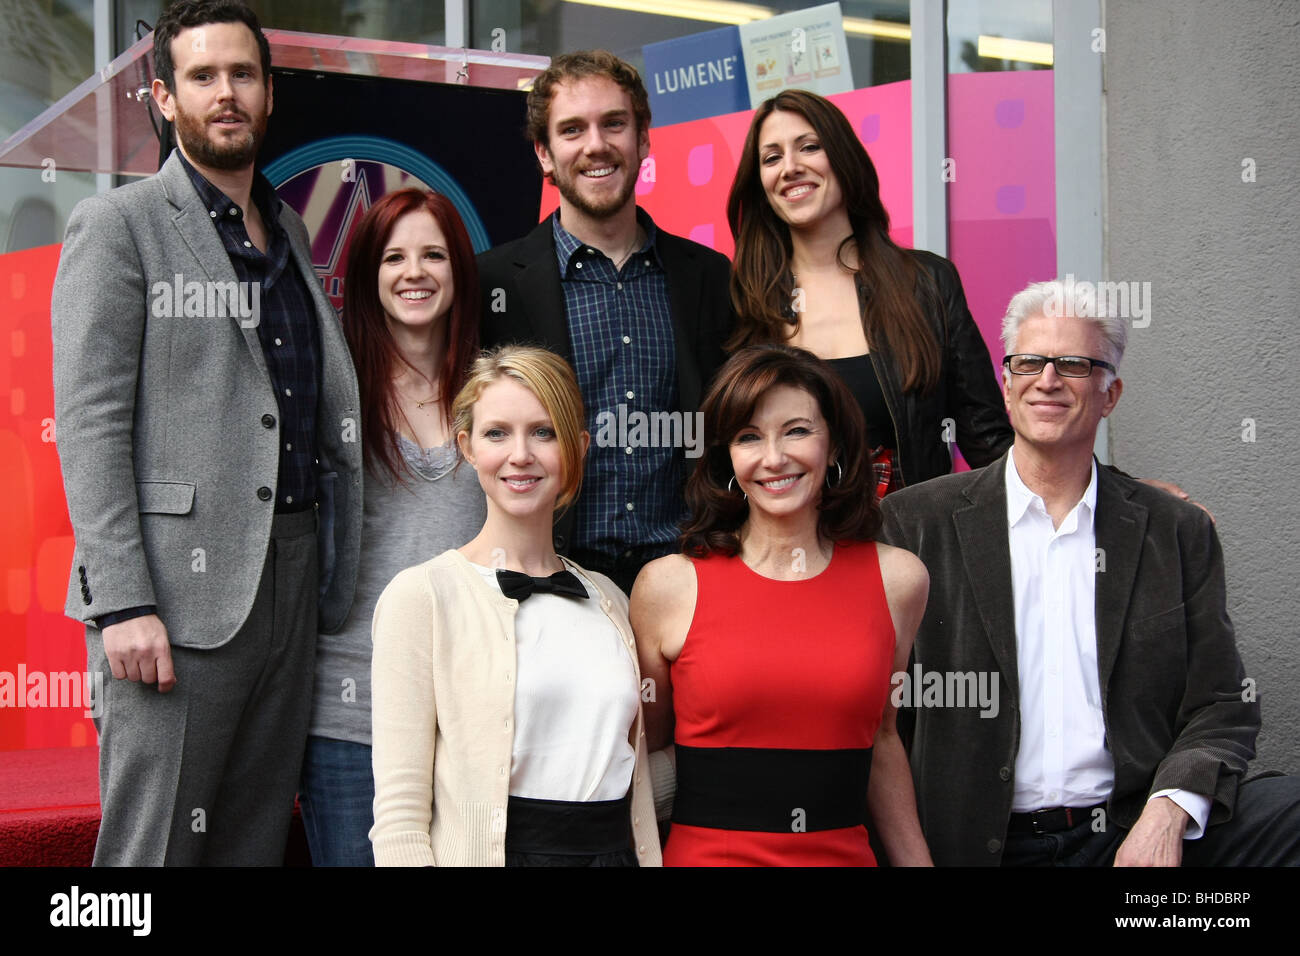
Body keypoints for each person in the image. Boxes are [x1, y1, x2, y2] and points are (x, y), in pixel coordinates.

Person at [50, 0, 362, 865]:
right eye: (202, 76)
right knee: (152, 856)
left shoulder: (291, 229)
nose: (226, 93)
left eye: (243, 75)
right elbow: (90, 420)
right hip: (173, 600)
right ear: (162, 95)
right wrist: (122, 601)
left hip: (292, 582)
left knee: (251, 845)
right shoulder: (119, 227)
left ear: (268, 96)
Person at [879, 279, 1300, 866]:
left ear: (1110, 394)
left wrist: (1167, 811)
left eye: (1074, 364)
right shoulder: (912, 524)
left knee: (1288, 812)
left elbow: (1223, 702)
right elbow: (876, 721)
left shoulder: (1173, 530)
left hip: (1124, 836)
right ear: (1005, 385)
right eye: (1029, 362)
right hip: (978, 845)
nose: (1047, 380)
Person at [633, 345, 933, 866]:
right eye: (749, 437)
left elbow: (882, 739)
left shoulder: (898, 580)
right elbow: (645, 755)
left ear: (835, 444)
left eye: (797, 430)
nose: (773, 458)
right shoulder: (667, 587)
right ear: (727, 455)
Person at [369, 346, 661, 866]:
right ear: (467, 447)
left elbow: (631, 770)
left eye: (543, 432)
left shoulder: (611, 600)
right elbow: (399, 819)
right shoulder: (422, 597)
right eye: (497, 433)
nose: (520, 454)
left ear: (577, 448)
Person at [478, 50, 733, 594]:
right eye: (572, 130)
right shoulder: (492, 283)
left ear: (643, 139)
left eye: (613, 123)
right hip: (551, 583)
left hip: (688, 580)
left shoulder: (709, 278)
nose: (596, 145)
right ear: (545, 154)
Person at [297, 189, 486, 866]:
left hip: (472, 707)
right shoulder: (330, 387)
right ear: (368, 274)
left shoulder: (493, 391)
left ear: (460, 270)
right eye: (395, 257)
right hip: (353, 709)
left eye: (433, 254)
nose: (415, 272)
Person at [727, 87, 1013, 494]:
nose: (790, 167)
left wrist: (1102, 492)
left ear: (843, 159)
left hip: (907, 540)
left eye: (809, 147)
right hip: (788, 546)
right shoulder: (741, 302)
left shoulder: (927, 283)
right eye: (772, 157)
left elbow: (987, 440)